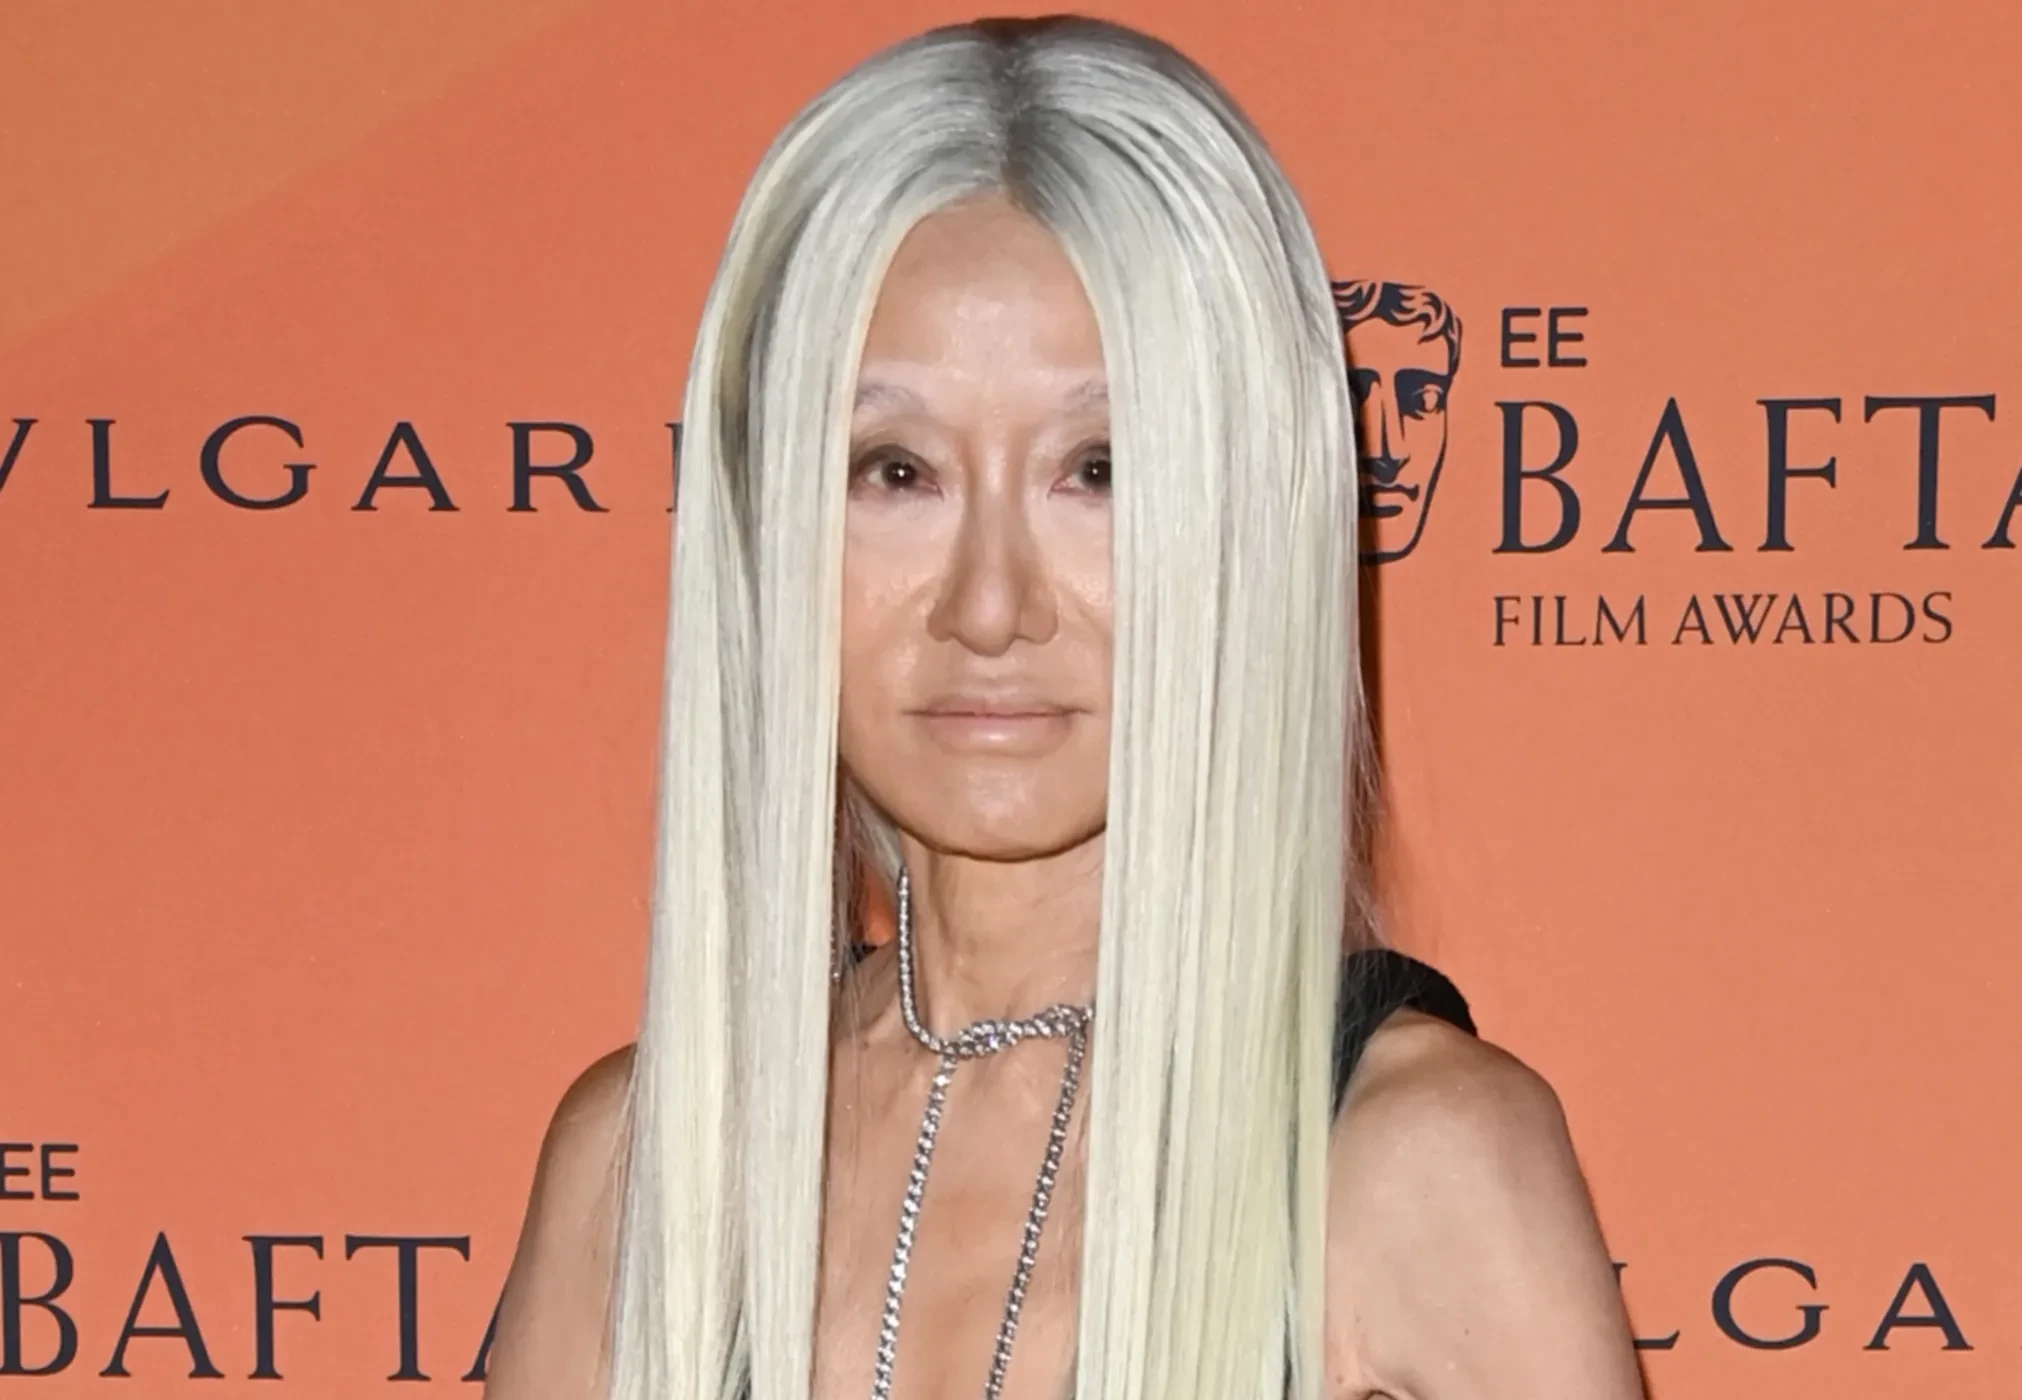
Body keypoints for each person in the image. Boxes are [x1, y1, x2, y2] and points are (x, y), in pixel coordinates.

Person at [485, 15, 1644, 1400]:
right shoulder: (637, 1174)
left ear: (1249, 518)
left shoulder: (1419, 1168)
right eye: (895, 470)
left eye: (1101, 470)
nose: (989, 605)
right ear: (765, 522)